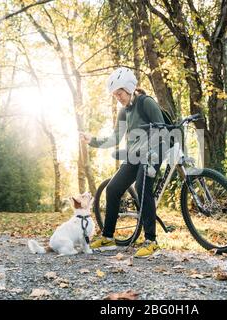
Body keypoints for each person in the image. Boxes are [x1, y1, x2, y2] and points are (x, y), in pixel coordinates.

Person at [79, 67, 165, 258]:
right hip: (135, 155)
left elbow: (162, 130)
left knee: (143, 186)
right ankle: (108, 236)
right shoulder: (124, 112)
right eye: (115, 95)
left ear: (129, 88)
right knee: (113, 188)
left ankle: (151, 241)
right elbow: (115, 139)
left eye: (120, 93)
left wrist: (151, 155)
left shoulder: (146, 103)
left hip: (154, 152)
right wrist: (91, 140)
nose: (118, 97)